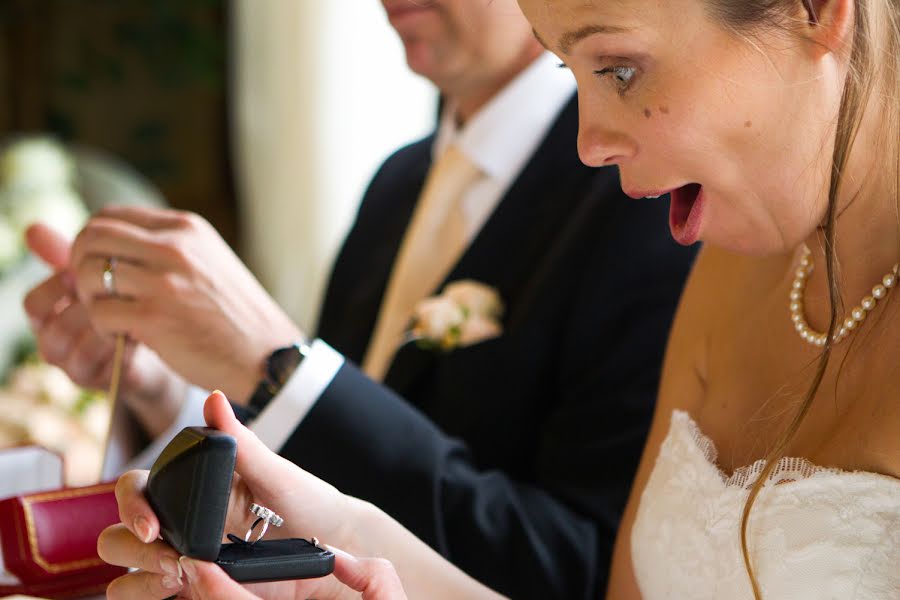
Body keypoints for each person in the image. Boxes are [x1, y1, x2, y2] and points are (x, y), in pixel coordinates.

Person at [98, 0, 900, 597]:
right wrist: (336, 545)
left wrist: (278, 369)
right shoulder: (729, 269)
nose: (589, 140)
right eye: (572, 73)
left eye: (619, 69)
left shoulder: (666, 226)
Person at [23, 1, 696, 598]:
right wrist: (157, 387)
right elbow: (312, 474)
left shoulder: (642, 193)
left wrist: (277, 366)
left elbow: (582, 568)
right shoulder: (397, 183)